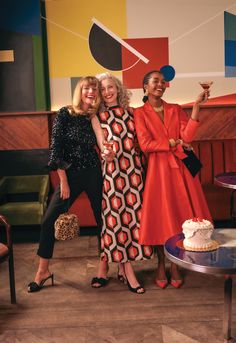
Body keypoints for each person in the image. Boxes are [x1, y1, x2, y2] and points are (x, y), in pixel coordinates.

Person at [134, 70, 212, 289]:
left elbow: (187, 137)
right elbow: (145, 145)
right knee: (161, 219)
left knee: (180, 217)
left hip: (181, 171)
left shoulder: (175, 109)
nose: (160, 84)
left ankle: (176, 264)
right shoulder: (139, 113)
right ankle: (161, 263)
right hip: (158, 173)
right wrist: (171, 143)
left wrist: (197, 106)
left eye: (162, 81)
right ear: (145, 87)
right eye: (155, 81)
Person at [28, 76, 106, 292]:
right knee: (48, 221)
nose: (91, 91)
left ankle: (103, 268)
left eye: (94, 88)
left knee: (103, 220)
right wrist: (63, 181)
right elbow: (56, 149)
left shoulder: (96, 115)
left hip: (93, 172)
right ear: (80, 91)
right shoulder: (65, 113)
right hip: (69, 175)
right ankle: (43, 271)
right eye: (87, 88)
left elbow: (103, 143)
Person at [91, 73, 153, 294]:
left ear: (117, 89)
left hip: (134, 173)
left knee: (133, 218)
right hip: (113, 174)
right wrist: (106, 154)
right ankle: (128, 272)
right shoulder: (98, 116)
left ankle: (120, 265)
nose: (107, 92)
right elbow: (101, 144)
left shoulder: (131, 113)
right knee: (116, 220)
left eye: (110, 87)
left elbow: (141, 141)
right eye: (103, 89)